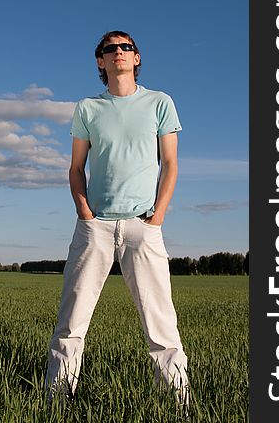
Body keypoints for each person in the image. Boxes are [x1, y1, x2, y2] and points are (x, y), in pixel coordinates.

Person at [45, 30, 189, 408]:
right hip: (95, 227)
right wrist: (85, 213)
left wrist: (157, 216)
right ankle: (57, 401)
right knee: (71, 322)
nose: (120, 52)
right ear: (100, 62)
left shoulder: (160, 103)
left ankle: (178, 402)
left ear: (137, 59)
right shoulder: (88, 109)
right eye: (111, 49)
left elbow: (171, 164)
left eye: (127, 47)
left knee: (161, 324)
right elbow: (76, 168)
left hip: (144, 226)